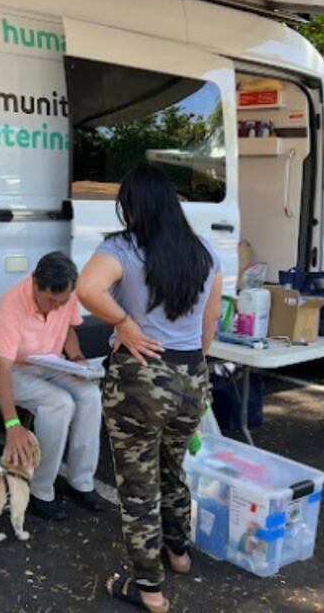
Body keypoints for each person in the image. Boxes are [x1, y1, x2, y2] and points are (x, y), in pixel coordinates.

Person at [77, 161, 223, 613]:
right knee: (172, 468)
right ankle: (178, 554)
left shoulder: (121, 249)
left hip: (139, 381)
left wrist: (125, 324)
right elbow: (209, 324)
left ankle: (149, 591)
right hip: (190, 378)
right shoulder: (205, 252)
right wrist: (190, 363)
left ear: (133, 206)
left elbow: (87, 289)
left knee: (138, 488)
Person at [0, 252, 107, 520]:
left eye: (61, 301)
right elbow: (2, 371)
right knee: (59, 403)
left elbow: (68, 330)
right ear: (35, 284)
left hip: (50, 363)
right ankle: (40, 490)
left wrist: (76, 360)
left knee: (90, 395)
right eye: (51, 300)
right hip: (13, 369)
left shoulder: (66, 294)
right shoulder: (11, 303)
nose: (56, 306)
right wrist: (11, 424)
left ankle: (81, 482)